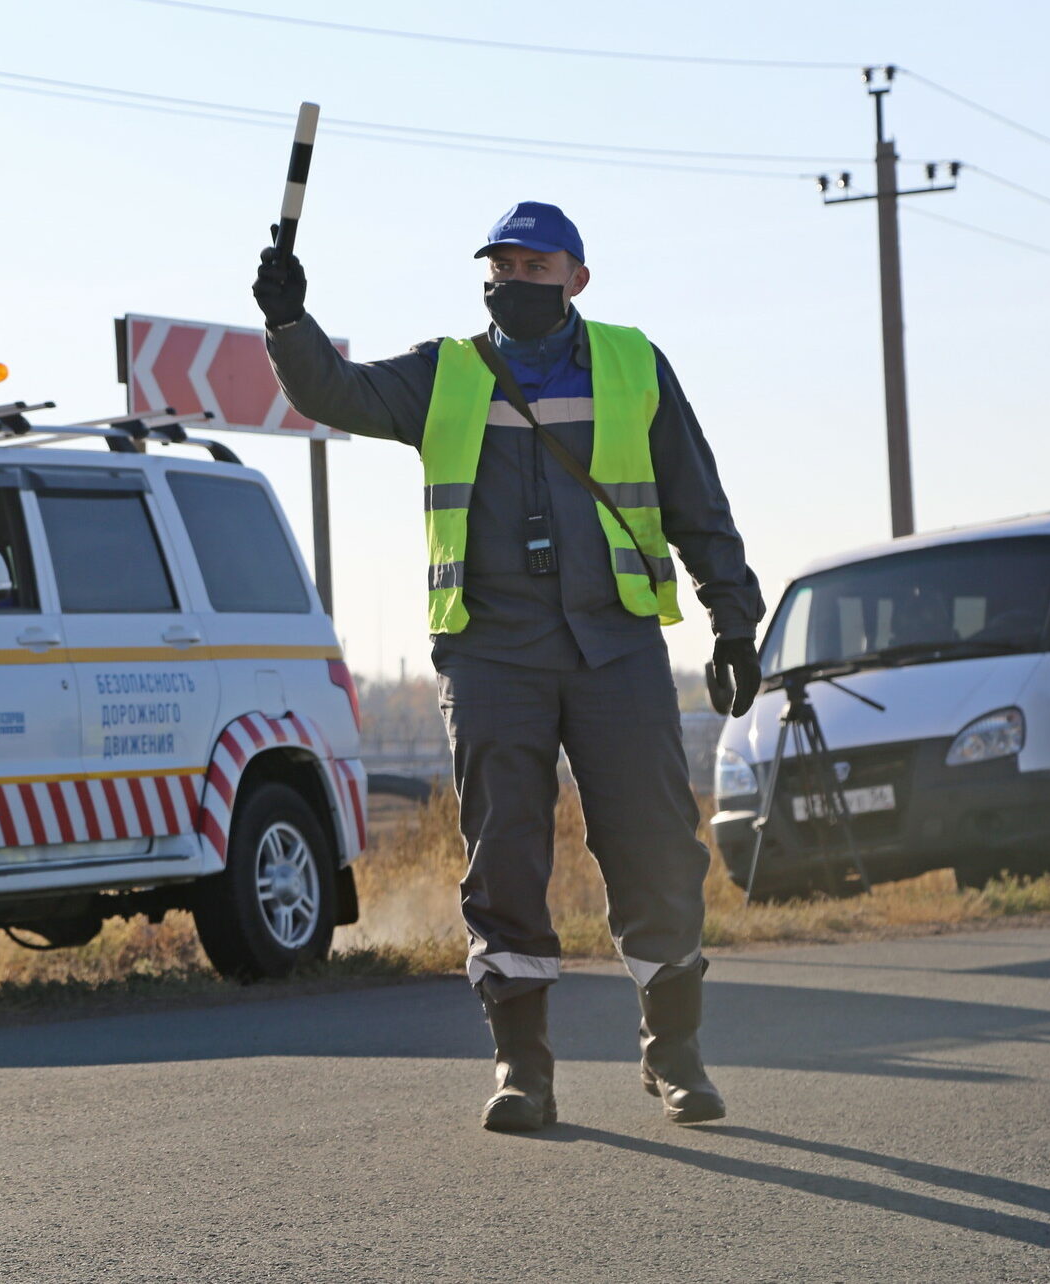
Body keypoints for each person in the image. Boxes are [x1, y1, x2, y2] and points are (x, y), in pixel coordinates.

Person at [253, 201, 764, 1131]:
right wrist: (289, 323)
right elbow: (335, 392)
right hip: (492, 653)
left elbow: (696, 498)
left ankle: (675, 1054)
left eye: (537, 268)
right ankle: (523, 1069)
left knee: (655, 847)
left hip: (615, 646)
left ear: (578, 277)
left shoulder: (632, 362)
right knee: (506, 859)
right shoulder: (444, 372)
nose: (516, 283)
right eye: (503, 267)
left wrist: (735, 620)